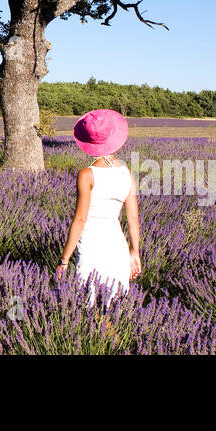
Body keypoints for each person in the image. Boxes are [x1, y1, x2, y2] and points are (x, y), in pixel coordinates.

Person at [55, 109, 141, 306]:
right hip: (117, 247)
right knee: (114, 308)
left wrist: (64, 260)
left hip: (92, 247)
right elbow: (133, 218)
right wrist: (134, 252)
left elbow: (80, 220)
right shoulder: (126, 172)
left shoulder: (87, 175)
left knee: (87, 305)